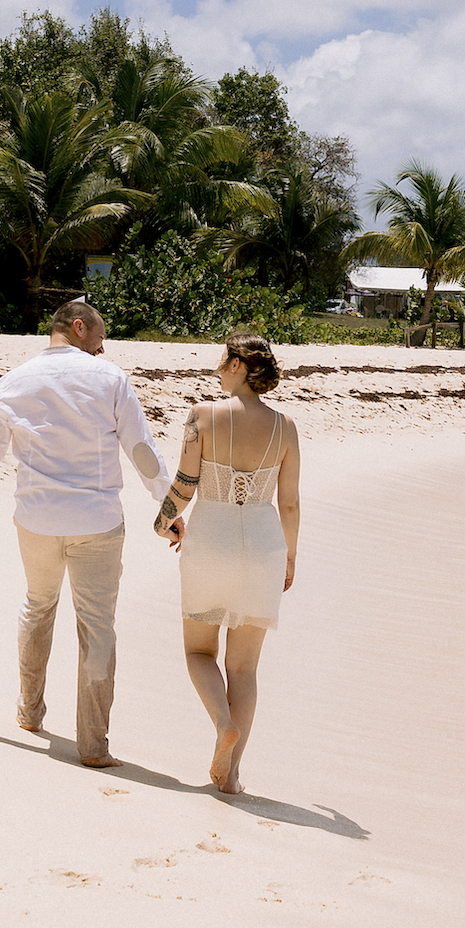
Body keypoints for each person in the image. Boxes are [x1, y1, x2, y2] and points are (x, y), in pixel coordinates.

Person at [0, 296, 173, 767]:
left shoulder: (14, 381)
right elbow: (141, 449)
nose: (104, 351)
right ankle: (93, 745)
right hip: (97, 521)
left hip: (37, 520)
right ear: (80, 327)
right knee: (97, 627)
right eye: (102, 338)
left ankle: (29, 712)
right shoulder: (110, 380)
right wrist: (168, 509)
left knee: (37, 606)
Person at [155, 329, 300, 795]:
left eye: (223, 360)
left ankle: (222, 725)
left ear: (238, 365)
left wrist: (162, 521)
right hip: (264, 544)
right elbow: (291, 504)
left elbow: (185, 483)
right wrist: (290, 558)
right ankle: (231, 773)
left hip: (212, 538)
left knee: (199, 653)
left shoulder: (202, 416)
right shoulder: (285, 427)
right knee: (245, 669)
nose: (218, 367)